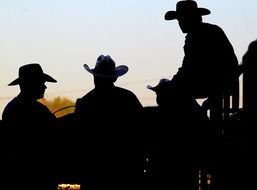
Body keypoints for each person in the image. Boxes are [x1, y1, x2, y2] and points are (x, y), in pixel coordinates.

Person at [74, 54, 143, 190]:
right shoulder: (128, 98)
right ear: (115, 77)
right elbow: (141, 128)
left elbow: (78, 137)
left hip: (94, 170)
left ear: (94, 76)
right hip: (126, 169)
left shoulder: (85, 102)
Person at [164, 0, 239, 120]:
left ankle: (198, 120)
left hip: (213, 82)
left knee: (168, 94)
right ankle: (198, 118)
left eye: (181, 19)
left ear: (191, 18)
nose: (180, 23)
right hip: (223, 81)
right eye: (179, 20)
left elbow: (190, 67)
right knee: (175, 90)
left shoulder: (195, 37)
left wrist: (171, 83)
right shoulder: (211, 30)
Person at [2, 63, 58, 190]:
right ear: (31, 84)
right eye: (41, 82)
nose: (44, 86)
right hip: (35, 177)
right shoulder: (38, 110)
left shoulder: (11, 108)